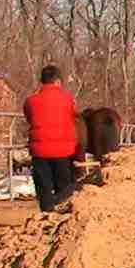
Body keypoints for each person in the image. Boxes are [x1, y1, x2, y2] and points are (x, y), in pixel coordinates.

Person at [23, 64, 80, 212]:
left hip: (39, 151)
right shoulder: (68, 99)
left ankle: (45, 217)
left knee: (44, 188)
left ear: (42, 81)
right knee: (64, 188)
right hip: (64, 151)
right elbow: (73, 116)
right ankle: (62, 219)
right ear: (58, 81)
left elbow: (30, 118)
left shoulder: (30, 101)